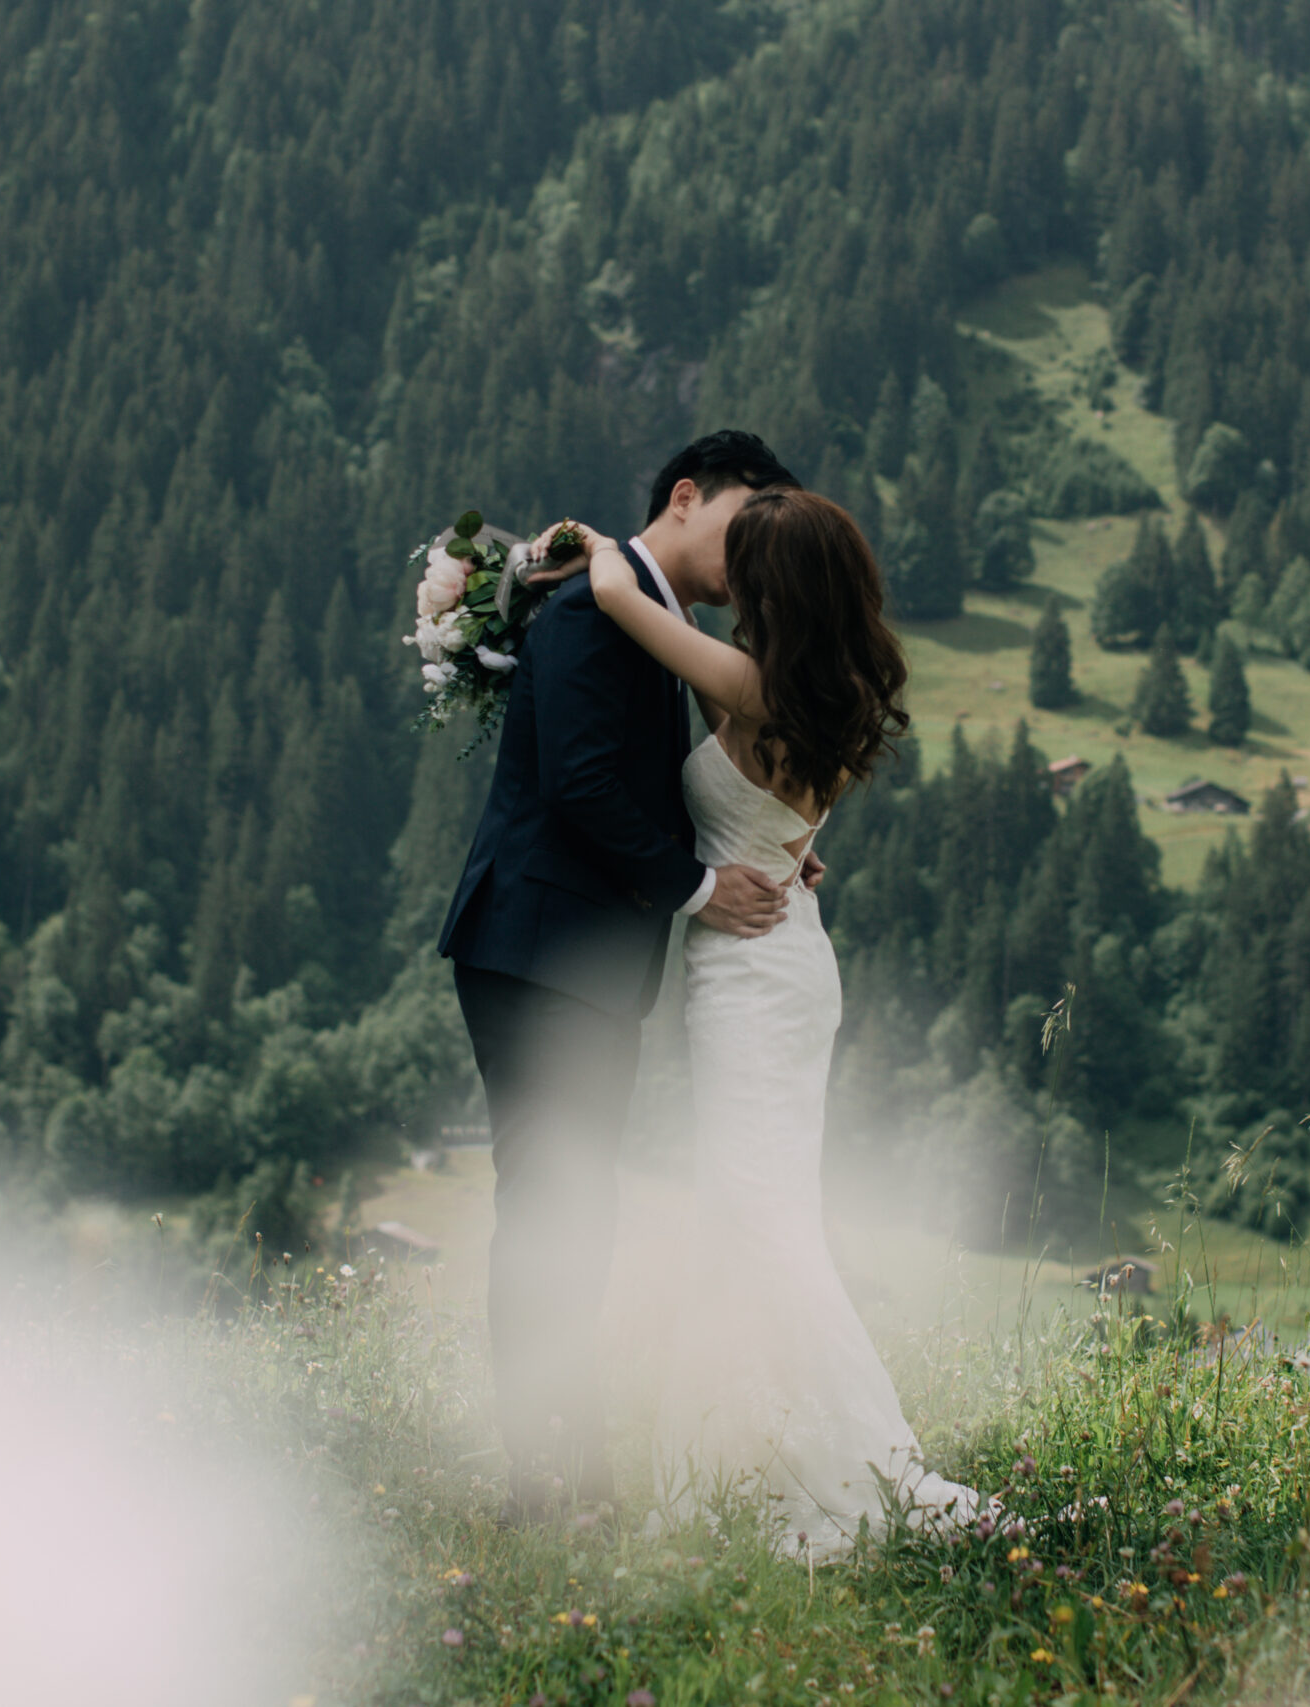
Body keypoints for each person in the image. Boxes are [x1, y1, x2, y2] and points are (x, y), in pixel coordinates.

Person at [555, 488, 987, 1557]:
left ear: (777, 591)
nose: (728, 584)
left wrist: (593, 546)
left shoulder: (753, 684)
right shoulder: (819, 688)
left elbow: (620, 595)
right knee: (753, 1212)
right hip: (779, 952)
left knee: (758, 1220)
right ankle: (750, 1457)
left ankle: (857, 1464)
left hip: (751, 975)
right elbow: (763, 799)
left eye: (746, 569)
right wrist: (780, 843)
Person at [438, 431, 806, 1520]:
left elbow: (644, 783)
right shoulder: (592, 613)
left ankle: (568, 1469)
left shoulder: (643, 610)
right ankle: (543, 1482)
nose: (754, 554)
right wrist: (699, 889)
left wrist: (767, 845)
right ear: (686, 497)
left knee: (576, 1209)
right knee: (552, 1210)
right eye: (745, 523)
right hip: (537, 951)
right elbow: (583, 784)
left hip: (579, 962)